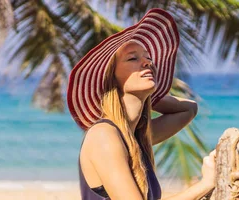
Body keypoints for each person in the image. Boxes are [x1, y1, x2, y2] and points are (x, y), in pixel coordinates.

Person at [66, 8, 216, 200]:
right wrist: (206, 184)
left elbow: (189, 109)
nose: (147, 62)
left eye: (148, 57)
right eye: (133, 58)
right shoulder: (104, 135)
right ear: (111, 79)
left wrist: (149, 95)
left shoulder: (136, 137)